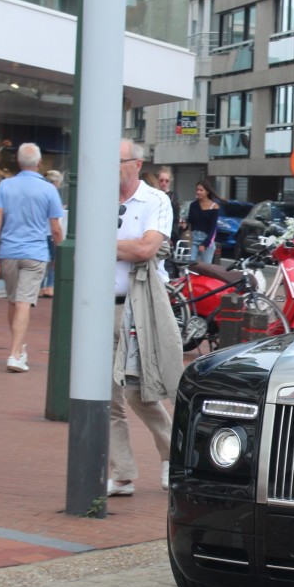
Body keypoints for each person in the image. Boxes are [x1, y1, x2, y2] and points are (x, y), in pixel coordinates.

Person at [109, 139, 183, 497]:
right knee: (104, 397)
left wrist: (102, 242)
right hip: (99, 307)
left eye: (118, 161)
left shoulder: (156, 200)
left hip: (137, 306)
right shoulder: (98, 196)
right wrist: (126, 246)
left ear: (137, 164)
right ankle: (122, 473)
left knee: (141, 392)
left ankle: (171, 456)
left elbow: (146, 248)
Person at [0, 142, 64, 373]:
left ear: (18, 162)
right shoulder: (49, 190)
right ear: (39, 163)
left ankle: (18, 348)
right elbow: (56, 227)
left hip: (8, 252)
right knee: (23, 302)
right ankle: (15, 353)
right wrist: (60, 252)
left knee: (14, 301)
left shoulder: (5, 186)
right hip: (35, 253)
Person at [40, 169, 66, 298]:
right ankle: (50, 286)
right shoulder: (52, 192)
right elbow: (55, 220)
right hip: (50, 232)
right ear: (56, 182)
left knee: (43, 261)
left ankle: (40, 287)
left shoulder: (41, 191)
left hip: (42, 232)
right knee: (54, 260)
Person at [186, 178, 221, 264]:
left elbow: (213, 229)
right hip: (194, 238)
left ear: (207, 191)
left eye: (201, 190)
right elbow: (190, 223)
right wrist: (184, 225)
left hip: (206, 239)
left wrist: (205, 244)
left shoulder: (214, 206)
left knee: (205, 268)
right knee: (190, 265)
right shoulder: (193, 205)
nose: (198, 192)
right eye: (197, 190)